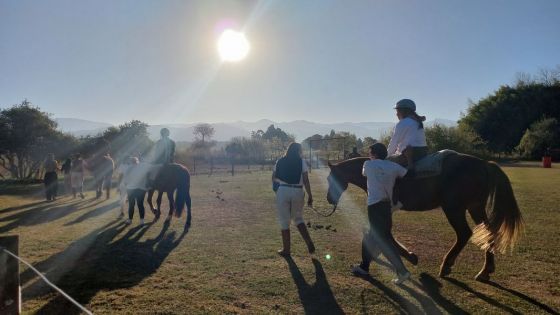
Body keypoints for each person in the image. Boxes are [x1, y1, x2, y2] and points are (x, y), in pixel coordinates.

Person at [351, 143, 411, 284]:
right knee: (371, 237)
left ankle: (402, 271)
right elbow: (406, 174)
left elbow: (364, 173)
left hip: (374, 206)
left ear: (374, 154)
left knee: (381, 240)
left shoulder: (368, 164)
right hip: (386, 206)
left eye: (370, 152)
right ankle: (364, 267)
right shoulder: (394, 167)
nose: (368, 154)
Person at [272, 142, 315, 256]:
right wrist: (310, 195)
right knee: (298, 219)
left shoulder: (280, 161)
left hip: (283, 190)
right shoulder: (301, 162)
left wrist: (278, 190)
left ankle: (286, 250)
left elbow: (274, 178)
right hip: (297, 190)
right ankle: (309, 242)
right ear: (298, 151)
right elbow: (306, 180)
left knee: (284, 221)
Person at [387, 99, 428, 174]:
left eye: (397, 111)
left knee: (386, 164)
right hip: (423, 153)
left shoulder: (402, 123)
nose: (396, 114)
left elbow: (393, 143)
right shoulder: (417, 122)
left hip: (409, 155)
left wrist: (386, 157)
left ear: (403, 111)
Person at [123, 157, 149, 225]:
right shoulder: (143, 167)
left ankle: (130, 220)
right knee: (140, 204)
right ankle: (142, 221)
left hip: (131, 189)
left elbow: (125, 181)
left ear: (131, 162)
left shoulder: (128, 168)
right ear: (138, 161)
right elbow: (147, 176)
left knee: (131, 205)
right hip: (141, 189)